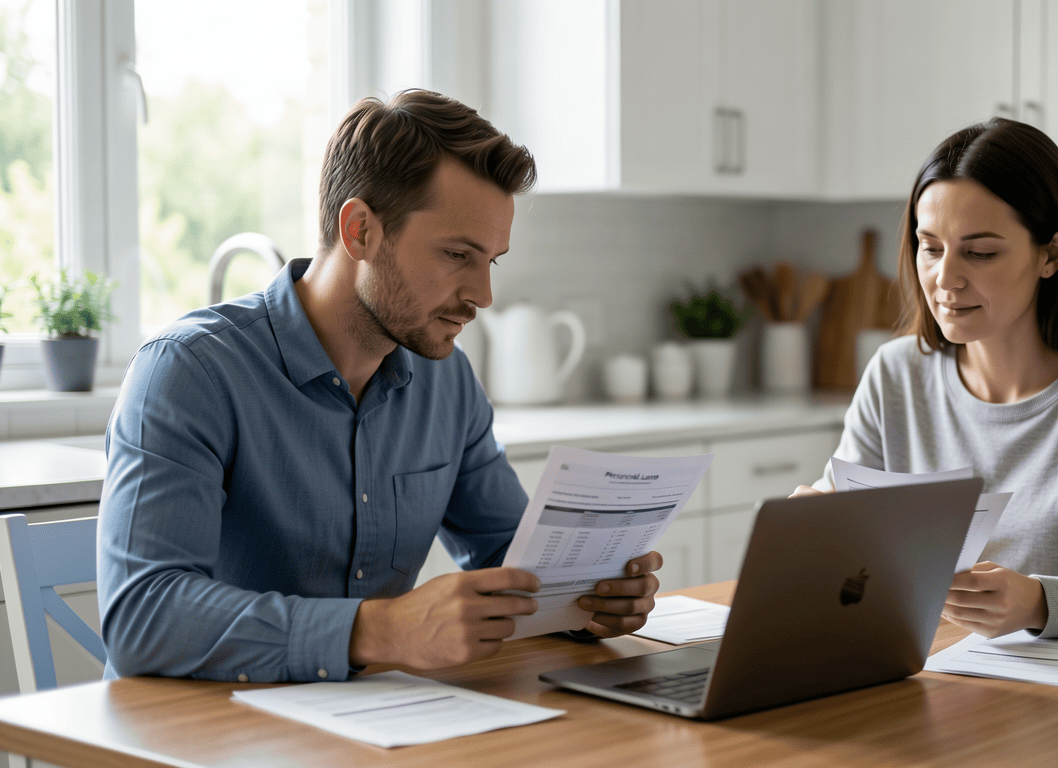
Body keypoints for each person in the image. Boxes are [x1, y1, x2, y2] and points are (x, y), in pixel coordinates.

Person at [98, 90, 662, 682]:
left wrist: (585, 601)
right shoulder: (188, 373)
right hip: (200, 736)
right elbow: (142, 617)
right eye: (456, 254)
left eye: (490, 261)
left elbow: (508, 556)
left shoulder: (446, 381)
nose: (482, 295)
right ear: (361, 229)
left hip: (372, 725)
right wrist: (381, 630)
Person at [795, 118, 1058, 639]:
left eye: (980, 252)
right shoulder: (895, 374)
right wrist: (812, 531)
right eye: (930, 247)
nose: (945, 280)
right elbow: (850, 569)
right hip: (925, 679)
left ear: (1051, 254)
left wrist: (1041, 603)